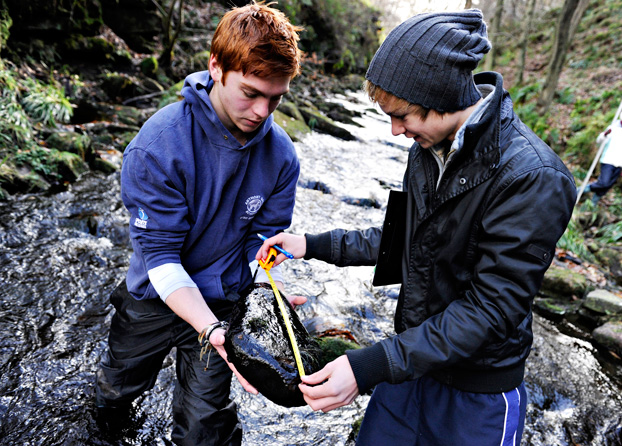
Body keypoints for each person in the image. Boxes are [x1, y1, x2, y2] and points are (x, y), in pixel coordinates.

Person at [257, 9, 576, 446]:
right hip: (407, 373)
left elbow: (491, 310)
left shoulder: (534, 177)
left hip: (476, 396)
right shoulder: (425, 152)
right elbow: (401, 241)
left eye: (402, 115)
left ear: (441, 95)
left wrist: (368, 366)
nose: (394, 131)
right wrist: (310, 245)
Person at [95, 3, 303, 445]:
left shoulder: (282, 157)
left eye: (276, 98)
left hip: (225, 303)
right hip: (154, 295)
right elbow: (160, 257)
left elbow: (261, 245)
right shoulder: (157, 147)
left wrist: (267, 293)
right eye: (251, 93)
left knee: (205, 428)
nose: (263, 111)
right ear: (216, 67)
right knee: (116, 394)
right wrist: (207, 326)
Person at [584, 108, 622, 205]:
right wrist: (605, 134)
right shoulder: (614, 128)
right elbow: (599, 141)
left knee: (608, 186)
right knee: (604, 183)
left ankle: (593, 203)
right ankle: (583, 190)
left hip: (620, 163)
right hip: (608, 160)